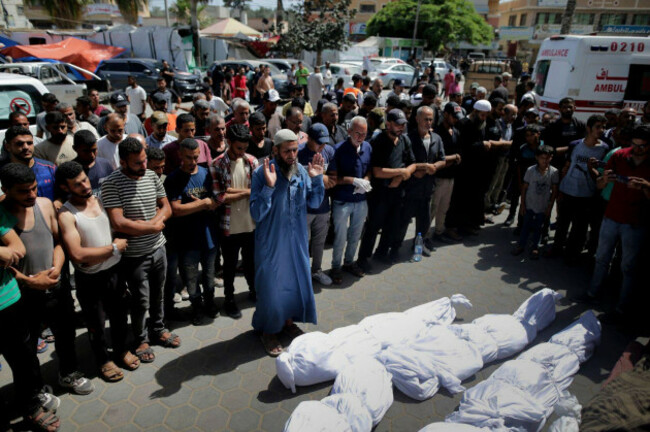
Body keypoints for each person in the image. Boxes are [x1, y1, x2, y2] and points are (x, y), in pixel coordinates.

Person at [1, 163, 94, 396]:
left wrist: (56, 268)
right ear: (6, 190)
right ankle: (35, 389)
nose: (32, 195)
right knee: (27, 348)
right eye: (24, 191)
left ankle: (69, 373)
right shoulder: (2, 218)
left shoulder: (44, 206)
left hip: (56, 287)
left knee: (65, 334)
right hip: (22, 296)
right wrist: (29, 281)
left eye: (33, 188)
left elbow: (59, 242)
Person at [101, 138, 179, 364]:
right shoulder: (112, 183)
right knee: (140, 300)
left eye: (145, 161)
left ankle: (158, 328)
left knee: (159, 294)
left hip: (158, 248)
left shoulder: (152, 176)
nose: (144, 167)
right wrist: (152, 226)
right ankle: (141, 339)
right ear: (123, 162)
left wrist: (154, 223)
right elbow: (118, 222)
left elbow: (166, 207)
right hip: (134, 256)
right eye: (138, 163)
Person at [56, 161, 136, 381]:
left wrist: (113, 249)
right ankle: (103, 360)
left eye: (85, 179)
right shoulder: (67, 214)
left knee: (120, 316)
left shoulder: (100, 201)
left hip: (115, 272)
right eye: (77, 184)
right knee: (96, 325)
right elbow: (78, 255)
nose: (85, 185)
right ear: (65, 188)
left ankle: (121, 350)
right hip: (90, 279)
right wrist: (112, 248)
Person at [250, 129, 324, 356]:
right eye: (287, 151)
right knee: (271, 288)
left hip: (297, 241)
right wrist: (269, 187)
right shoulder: (261, 174)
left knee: (295, 282)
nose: (292, 155)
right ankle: (269, 331)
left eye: (295, 150)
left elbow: (315, 201)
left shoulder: (301, 171)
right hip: (271, 243)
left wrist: (317, 178)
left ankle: (288, 322)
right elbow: (256, 213)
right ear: (275, 151)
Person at [0, 191, 60, 431]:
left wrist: (5, 252)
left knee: (23, 359)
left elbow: (16, 249)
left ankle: (30, 406)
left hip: (8, 299)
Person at [578, 124, 650, 322]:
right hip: (612, 216)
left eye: (643, 146)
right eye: (635, 144)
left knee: (629, 266)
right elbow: (600, 184)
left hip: (636, 223)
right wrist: (605, 179)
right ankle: (592, 294)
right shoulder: (619, 156)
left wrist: (645, 187)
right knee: (602, 258)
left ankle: (622, 308)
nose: (638, 149)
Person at [164, 139, 220, 325]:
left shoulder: (206, 173)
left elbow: (217, 199)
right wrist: (202, 203)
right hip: (187, 241)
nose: (193, 161)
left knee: (210, 276)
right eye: (189, 157)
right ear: (180, 154)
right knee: (191, 279)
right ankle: (196, 307)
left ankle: (210, 303)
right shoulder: (173, 179)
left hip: (209, 237)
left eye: (196, 157)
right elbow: (176, 210)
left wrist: (211, 204)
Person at [357, 109, 416, 271]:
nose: (401, 128)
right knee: (373, 227)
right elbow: (377, 171)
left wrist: (403, 174)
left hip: (397, 192)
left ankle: (382, 252)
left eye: (403, 124)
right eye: (397, 124)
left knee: (392, 224)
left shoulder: (404, 140)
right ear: (388, 124)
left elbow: (412, 164)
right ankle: (363, 259)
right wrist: (401, 172)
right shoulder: (379, 142)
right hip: (380, 194)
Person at [210, 124, 259, 319]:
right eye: (239, 148)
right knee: (229, 267)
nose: (242, 152)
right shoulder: (217, 164)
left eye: (245, 147)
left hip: (251, 224)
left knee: (251, 263)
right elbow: (219, 197)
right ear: (229, 142)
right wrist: (248, 192)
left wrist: (235, 192)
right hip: (228, 227)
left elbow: (259, 192)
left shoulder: (252, 161)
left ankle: (253, 291)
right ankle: (229, 299)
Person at [549, 114, 609, 264]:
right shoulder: (575, 144)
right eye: (598, 127)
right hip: (568, 190)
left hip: (586, 195)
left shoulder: (604, 148)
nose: (601, 130)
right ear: (588, 128)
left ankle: (571, 254)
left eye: (603, 127)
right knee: (562, 223)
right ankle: (556, 248)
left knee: (579, 227)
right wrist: (560, 189)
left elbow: (601, 175)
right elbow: (566, 166)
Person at [398, 106, 449, 255]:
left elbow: (442, 159)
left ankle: (418, 246)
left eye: (430, 119)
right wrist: (417, 170)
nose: (428, 122)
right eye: (425, 119)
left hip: (427, 190)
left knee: (424, 223)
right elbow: (403, 162)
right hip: (410, 190)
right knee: (403, 222)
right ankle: (394, 248)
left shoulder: (436, 138)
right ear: (417, 119)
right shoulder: (408, 139)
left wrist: (435, 167)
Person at [327, 116, 372, 284]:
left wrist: (366, 180)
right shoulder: (337, 150)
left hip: (361, 200)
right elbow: (332, 178)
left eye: (364, 134)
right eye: (357, 133)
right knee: (340, 237)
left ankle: (349, 262)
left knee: (356, 234)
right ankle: (336, 267)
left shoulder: (367, 147)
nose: (360, 137)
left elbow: (369, 170)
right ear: (349, 131)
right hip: (342, 201)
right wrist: (352, 180)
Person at [445, 99, 493, 237]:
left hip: (476, 170)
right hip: (463, 170)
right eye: (482, 115)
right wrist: (481, 145)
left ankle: (466, 225)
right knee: (458, 200)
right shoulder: (464, 124)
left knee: (471, 200)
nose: (484, 118)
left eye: (486, 115)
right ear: (475, 112)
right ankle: (452, 227)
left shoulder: (482, 124)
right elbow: (463, 147)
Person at [298, 124, 336, 286]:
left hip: (323, 208)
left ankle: (317, 270)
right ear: (309, 139)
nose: (322, 146)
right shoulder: (298, 153)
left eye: (324, 142)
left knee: (319, 242)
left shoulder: (329, 151)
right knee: (303, 243)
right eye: (319, 143)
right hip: (304, 209)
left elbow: (333, 179)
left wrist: (322, 178)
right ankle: (303, 274)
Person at [511, 145, 559, 259]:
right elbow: (524, 188)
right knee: (525, 226)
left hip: (543, 206)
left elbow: (554, 191)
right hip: (530, 204)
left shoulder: (554, 172)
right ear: (537, 157)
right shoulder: (530, 170)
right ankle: (521, 245)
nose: (545, 161)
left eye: (548, 158)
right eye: (542, 158)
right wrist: (522, 204)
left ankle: (535, 247)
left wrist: (549, 207)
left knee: (539, 228)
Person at [428, 102, 463, 243]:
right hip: (438, 178)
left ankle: (439, 232)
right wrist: (453, 158)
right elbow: (436, 157)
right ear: (446, 114)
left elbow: (459, 153)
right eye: (453, 116)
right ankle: (423, 237)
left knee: (444, 208)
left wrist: (454, 158)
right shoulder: (436, 133)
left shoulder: (456, 132)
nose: (455, 120)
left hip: (450, 177)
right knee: (432, 209)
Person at [1, 126, 56, 200]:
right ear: (7, 147)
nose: (26, 147)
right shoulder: (2, 172)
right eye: (19, 144)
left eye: (29, 143)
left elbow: (64, 194)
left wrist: (57, 203)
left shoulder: (50, 168)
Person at [505, 124, 543, 228]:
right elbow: (518, 166)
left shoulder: (542, 148)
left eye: (532, 135)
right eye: (527, 135)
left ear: (538, 134)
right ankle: (512, 216)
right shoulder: (523, 148)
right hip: (521, 177)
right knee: (515, 197)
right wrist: (521, 182)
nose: (529, 137)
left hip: (536, 180)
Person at [541, 97, 586, 169]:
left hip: (575, 164)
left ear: (574, 108)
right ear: (559, 109)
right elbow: (549, 149)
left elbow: (584, 144)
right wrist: (570, 148)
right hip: (557, 164)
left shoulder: (581, 125)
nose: (567, 109)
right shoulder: (552, 126)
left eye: (570, 107)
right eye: (564, 107)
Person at [72, 130, 114, 197]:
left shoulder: (105, 165)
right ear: (75, 149)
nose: (92, 155)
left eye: (94, 150)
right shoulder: (70, 171)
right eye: (86, 151)